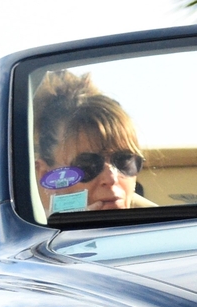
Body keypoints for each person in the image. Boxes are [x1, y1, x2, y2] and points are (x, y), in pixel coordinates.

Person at [32, 70, 147, 218]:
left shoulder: (162, 231)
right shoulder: (26, 235)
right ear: (46, 176)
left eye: (124, 161)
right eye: (87, 166)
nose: (111, 178)